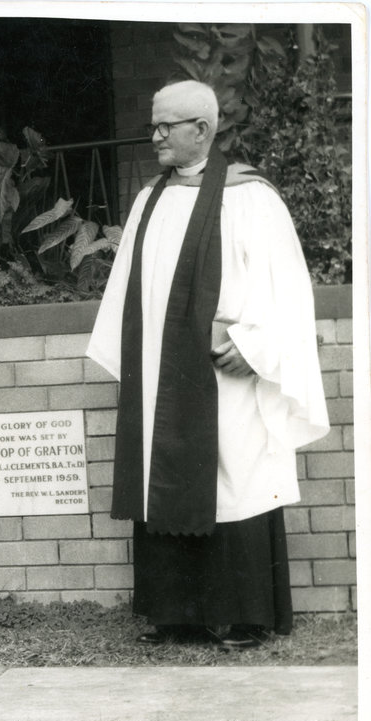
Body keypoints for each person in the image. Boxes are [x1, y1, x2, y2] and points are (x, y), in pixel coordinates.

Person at [86, 80, 329, 649]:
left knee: (234, 479)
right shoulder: (149, 200)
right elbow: (127, 294)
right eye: (153, 125)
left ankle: (243, 616)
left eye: (167, 126)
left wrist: (256, 345)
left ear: (203, 129)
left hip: (227, 377)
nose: (155, 136)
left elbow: (290, 292)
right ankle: (176, 616)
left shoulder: (251, 197)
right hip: (163, 380)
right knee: (166, 478)